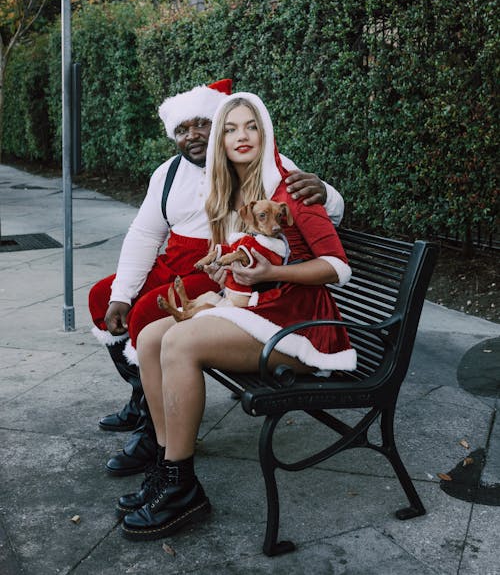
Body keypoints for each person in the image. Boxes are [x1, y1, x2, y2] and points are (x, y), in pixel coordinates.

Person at [118, 92, 356, 541]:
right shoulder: (237, 186)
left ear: (264, 132)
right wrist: (222, 262)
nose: (240, 136)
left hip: (302, 328)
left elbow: (338, 267)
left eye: (250, 126)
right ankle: (167, 466)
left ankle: (182, 487)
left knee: (179, 342)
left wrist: (273, 270)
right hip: (263, 310)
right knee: (151, 336)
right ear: (219, 141)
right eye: (230, 129)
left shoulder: (289, 184)